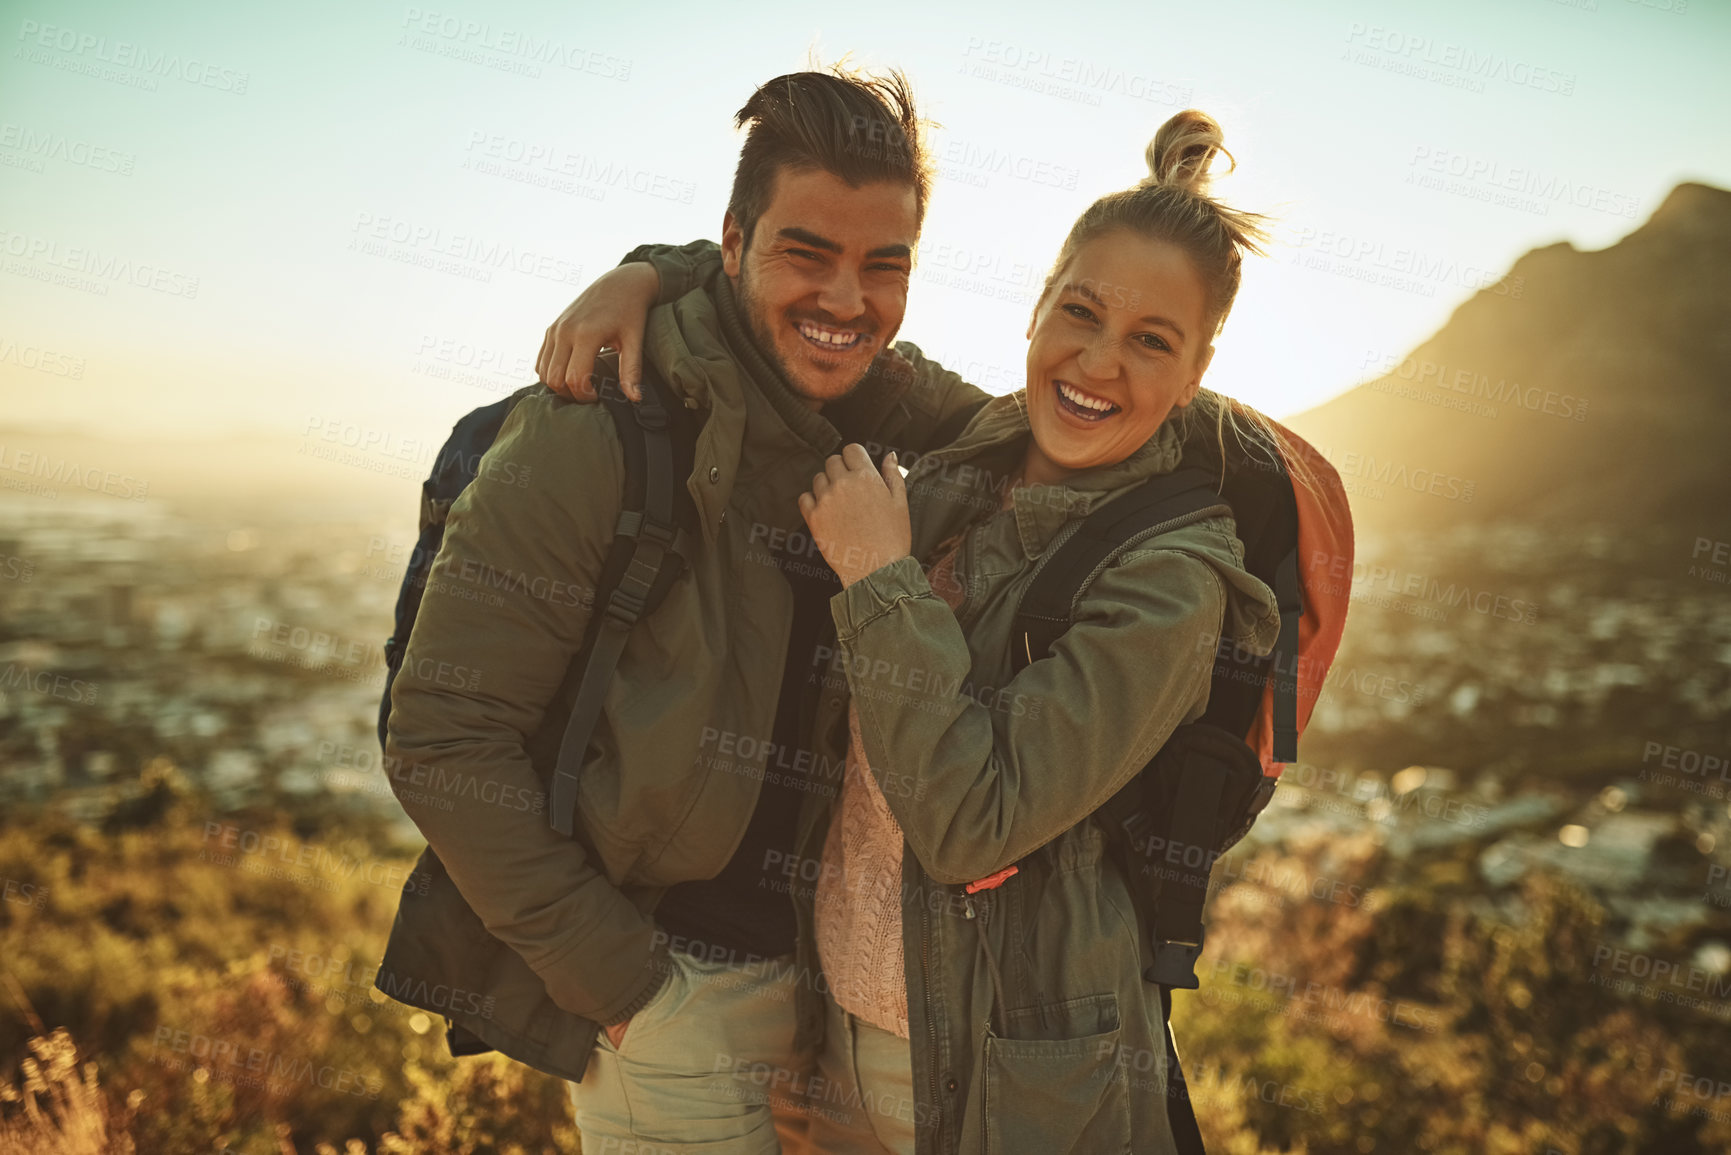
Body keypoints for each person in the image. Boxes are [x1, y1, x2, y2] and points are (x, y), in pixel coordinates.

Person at [552, 109, 1288, 1153]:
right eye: (1080, 311)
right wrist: (648, 273)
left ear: (1199, 366)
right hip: (845, 1045)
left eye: (1151, 341)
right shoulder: (965, 450)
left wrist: (879, 574)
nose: (1097, 363)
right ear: (1038, 303)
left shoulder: (1172, 580)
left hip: (1006, 1083)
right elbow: (792, 307)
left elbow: (971, 823)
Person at [376, 66, 989, 1155]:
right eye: (808, 252)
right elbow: (440, 737)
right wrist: (628, 989)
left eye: (883, 266)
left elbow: (1064, 424)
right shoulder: (596, 428)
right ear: (737, 241)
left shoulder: (894, 402)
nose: (848, 301)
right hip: (671, 993)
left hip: (828, 991)